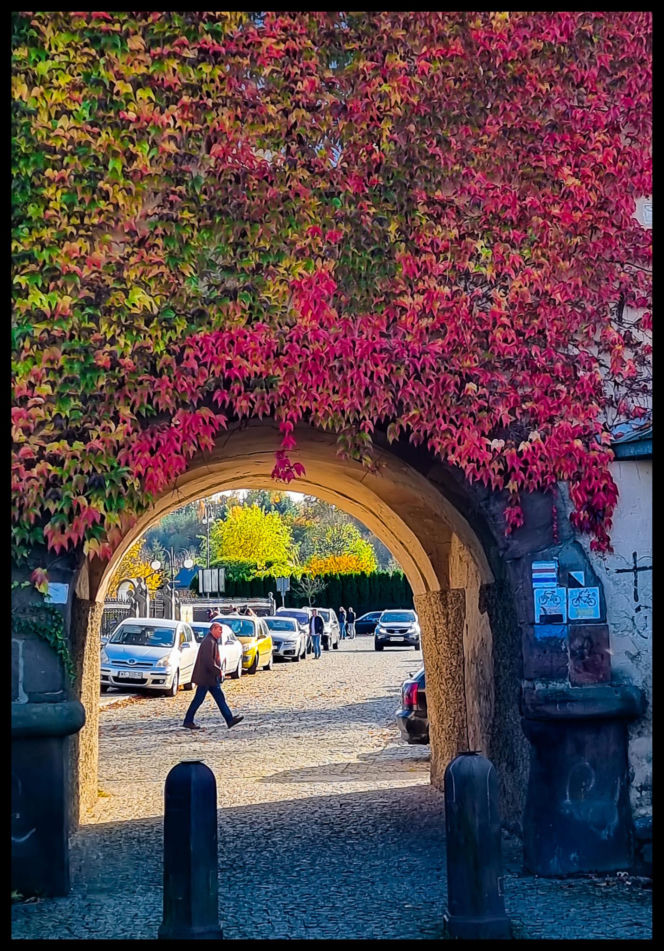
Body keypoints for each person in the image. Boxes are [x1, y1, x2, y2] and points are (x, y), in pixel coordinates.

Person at [182, 621, 244, 730]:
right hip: (206, 678)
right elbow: (208, 661)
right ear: (213, 629)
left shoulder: (212, 641)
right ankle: (188, 720)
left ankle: (229, 719)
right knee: (199, 699)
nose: (221, 632)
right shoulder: (208, 642)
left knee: (220, 698)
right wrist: (218, 671)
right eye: (220, 630)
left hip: (210, 678)